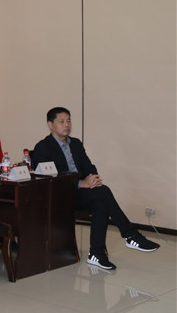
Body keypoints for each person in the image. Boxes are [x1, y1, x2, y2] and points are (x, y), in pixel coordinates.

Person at [32, 107, 159, 270]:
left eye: (69, 120)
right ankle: (130, 235)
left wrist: (92, 179)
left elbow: (89, 166)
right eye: (61, 121)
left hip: (80, 195)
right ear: (50, 124)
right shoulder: (43, 147)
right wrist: (80, 183)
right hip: (60, 196)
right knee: (103, 193)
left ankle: (97, 255)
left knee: (101, 199)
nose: (67, 125)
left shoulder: (76, 144)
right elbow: (50, 178)